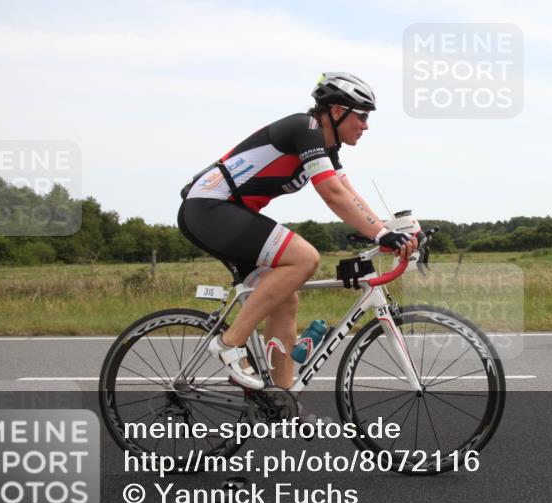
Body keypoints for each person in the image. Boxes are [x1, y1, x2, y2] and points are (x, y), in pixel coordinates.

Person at [177, 73, 418, 390]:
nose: (365, 125)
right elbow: (332, 193)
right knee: (304, 258)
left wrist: (386, 230)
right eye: (360, 115)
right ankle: (228, 344)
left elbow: (349, 195)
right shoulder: (306, 129)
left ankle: (280, 396)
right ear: (335, 111)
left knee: (285, 301)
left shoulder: (327, 147)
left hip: (225, 213)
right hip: (210, 208)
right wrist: (380, 234)